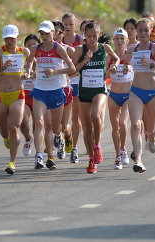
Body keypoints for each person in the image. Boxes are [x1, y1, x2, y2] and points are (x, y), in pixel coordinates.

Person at [24, 21, 76, 170]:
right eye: (42, 33)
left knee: (55, 128)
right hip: (40, 90)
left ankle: (54, 149)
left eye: (47, 33)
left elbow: (71, 68)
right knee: (40, 123)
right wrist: (28, 72)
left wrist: (55, 72)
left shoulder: (59, 48)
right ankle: (40, 156)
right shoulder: (35, 49)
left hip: (57, 90)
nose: (44, 36)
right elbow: (29, 63)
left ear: (53, 33)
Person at [123, 18, 155, 173]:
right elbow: (125, 66)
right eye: (140, 30)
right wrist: (123, 68)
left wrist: (151, 65)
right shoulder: (132, 49)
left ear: (150, 31)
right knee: (136, 125)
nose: (143, 33)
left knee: (150, 128)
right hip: (136, 91)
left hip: (153, 93)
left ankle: (152, 138)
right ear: (136, 31)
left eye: (146, 30)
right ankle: (138, 160)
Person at [72, 21, 120, 174]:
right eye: (89, 36)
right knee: (87, 129)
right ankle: (92, 160)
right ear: (84, 36)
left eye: (95, 36)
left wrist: (114, 66)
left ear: (99, 35)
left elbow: (116, 58)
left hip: (99, 89)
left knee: (95, 115)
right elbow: (72, 71)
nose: (92, 39)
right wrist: (85, 60)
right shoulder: (79, 49)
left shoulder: (104, 48)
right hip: (84, 91)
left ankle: (97, 146)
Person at [0, 25, 30, 174]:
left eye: (12, 37)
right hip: (1, 95)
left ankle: (12, 162)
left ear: (17, 37)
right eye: (6, 38)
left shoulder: (24, 52)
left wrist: (28, 74)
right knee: (4, 132)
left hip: (18, 94)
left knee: (14, 128)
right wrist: (2, 67)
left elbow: (32, 67)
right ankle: (7, 138)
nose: (9, 40)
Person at [108, 28, 132, 170]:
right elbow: (104, 77)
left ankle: (123, 149)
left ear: (127, 40)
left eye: (122, 38)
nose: (119, 41)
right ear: (113, 41)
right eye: (117, 38)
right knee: (115, 127)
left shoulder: (131, 55)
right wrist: (109, 72)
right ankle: (117, 156)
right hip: (114, 95)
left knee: (123, 123)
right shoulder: (109, 56)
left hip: (128, 95)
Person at [63, 12, 83, 163]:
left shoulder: (81, 41)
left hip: (77, 83)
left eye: (71, 24)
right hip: (61, 83)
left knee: (75, 118)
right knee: (60, 121)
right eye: (65, 25)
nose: (68, 27)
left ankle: (74, 148)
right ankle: (64, 138)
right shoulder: (58, 41)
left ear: (75, 25)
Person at [52, 20, 75, 160]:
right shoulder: (43, 49)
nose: (54, 36)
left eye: (56, 33)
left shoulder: (69, 49)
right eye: (51, 32)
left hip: (65, 88)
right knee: (53, 125)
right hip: (48, 88)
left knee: (64, 125)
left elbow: (76, 68)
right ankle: (58, 142)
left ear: (62, 33)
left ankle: (68, 138)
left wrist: (64, 73)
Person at [20, 34, 40, 157]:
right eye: (28, 46)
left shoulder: (43, 61)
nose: (32, 48)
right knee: (23, 122)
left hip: (39, 95)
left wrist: (36, 73)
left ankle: (39, 154)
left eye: (34, 45)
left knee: (37, 124)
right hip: (25, 96)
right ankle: (28, 139)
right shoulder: (20, 62)